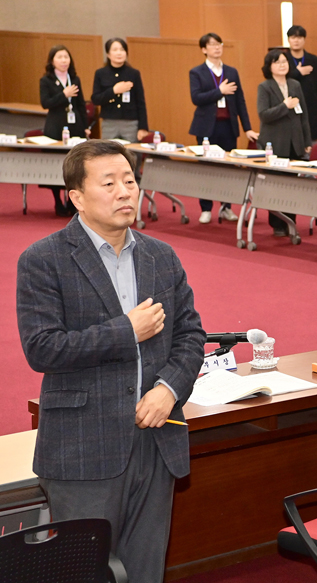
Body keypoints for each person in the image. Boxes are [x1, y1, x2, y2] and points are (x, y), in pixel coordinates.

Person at [16, 140, 206, 583]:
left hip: (156, 440)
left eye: (130, 181)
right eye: (110, 183)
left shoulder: (160, 256)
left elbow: (191, 334)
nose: (125, 192)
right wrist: (126, 330)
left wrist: (169, 390)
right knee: (85, 573)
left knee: (145, 571)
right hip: (84, 448)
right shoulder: (44, 260)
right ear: (77, 197)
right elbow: (42, 348)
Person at [188, 32, 258, 224]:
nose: (217, 47)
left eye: (219, 44)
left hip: (228, 126)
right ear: (204, 49)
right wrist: (219, 91)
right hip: (206, 128)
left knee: (229, 168)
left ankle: (227, 207)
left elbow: (240, 100)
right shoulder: (197, 72)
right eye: (212, 45)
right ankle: (206, 208)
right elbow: (196, 98)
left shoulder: (231, 71)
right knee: (207, 169)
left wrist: (247, 128)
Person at [257, 49, 312, 237]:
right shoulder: (265, 87)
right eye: (278, 62)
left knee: (291, 186)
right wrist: (284, 106)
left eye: (285, 62)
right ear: (269, 66)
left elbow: (303, 114)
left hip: (294, 142)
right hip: (274, 143)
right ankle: (277, 224)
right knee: (275, 185)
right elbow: (263, 115)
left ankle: (291, 221)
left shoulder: (295, 84)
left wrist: (306, 140)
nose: (282, 65)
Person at [40, 45, 89, 217]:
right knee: (55, 165)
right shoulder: (46, 80)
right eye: (59, 57)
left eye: (66, 57)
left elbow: (81, 104)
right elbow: (46, 103)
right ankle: (57, 201)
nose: (63, 60)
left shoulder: (75, 79)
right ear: (52, 60)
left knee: (75, 166)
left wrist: (86, 126)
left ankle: (72, 200)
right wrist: (64, 94)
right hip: (55, 127)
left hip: (75, 127)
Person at [91, 38, 150, 143]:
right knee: (108, 153)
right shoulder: (100, 73)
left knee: (131, 154)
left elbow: (140, 102)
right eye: (115, 50)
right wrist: (114, 91)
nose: (119, 53)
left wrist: (143, 127)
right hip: (109, 122)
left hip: (130, 123)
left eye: (122, 50)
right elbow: (96, 99)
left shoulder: (134, 73)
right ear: (108, 54)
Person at [286, 25, 317, 140]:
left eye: (299, 37)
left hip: (311, 105)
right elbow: (282, 79)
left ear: (304, 40)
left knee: (311, 139)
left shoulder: (313, 59)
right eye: (293, 37)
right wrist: (298, 72)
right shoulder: (284, 59)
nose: (296, 41)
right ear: (288, 39)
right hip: (291, 104)